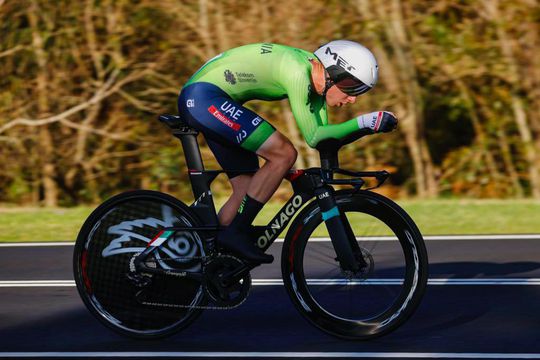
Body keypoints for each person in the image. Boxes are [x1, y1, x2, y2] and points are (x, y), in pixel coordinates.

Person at [178, 40, 398, 264]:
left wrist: (364, 129)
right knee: (283, 153)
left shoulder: (316, 81)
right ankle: (235, 234)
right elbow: (314, 136)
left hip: (211, 98)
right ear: (332, 73)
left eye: (360, 90)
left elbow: (325, 140)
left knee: (246, 186)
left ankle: (210, 261)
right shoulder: (298, 72)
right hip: (203, 97)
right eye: (352, 87)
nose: (353, 98)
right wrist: (367, 122)